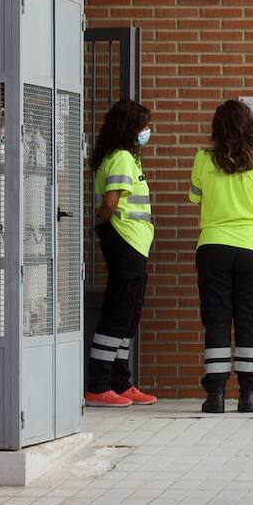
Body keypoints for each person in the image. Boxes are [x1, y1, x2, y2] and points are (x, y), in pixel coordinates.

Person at [190, 100, 253, 413]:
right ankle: (248, 394)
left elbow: (195, 197)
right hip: (252, 247)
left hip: (213, 245)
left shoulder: (203, 159)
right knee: (248, 320)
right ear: (250, 128)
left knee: (216, 319)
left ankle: (215, 395)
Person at [85, 100, 157, 407]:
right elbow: (111, 204)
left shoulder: (125, 157)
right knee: (118, 313)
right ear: (129, 128)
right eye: (142, 126)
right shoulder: (121, 158)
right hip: (125, 242)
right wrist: (100, 222)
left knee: (129, 315)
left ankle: (120, 381)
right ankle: (99, 384)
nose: (147, 132)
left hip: (135, 245)